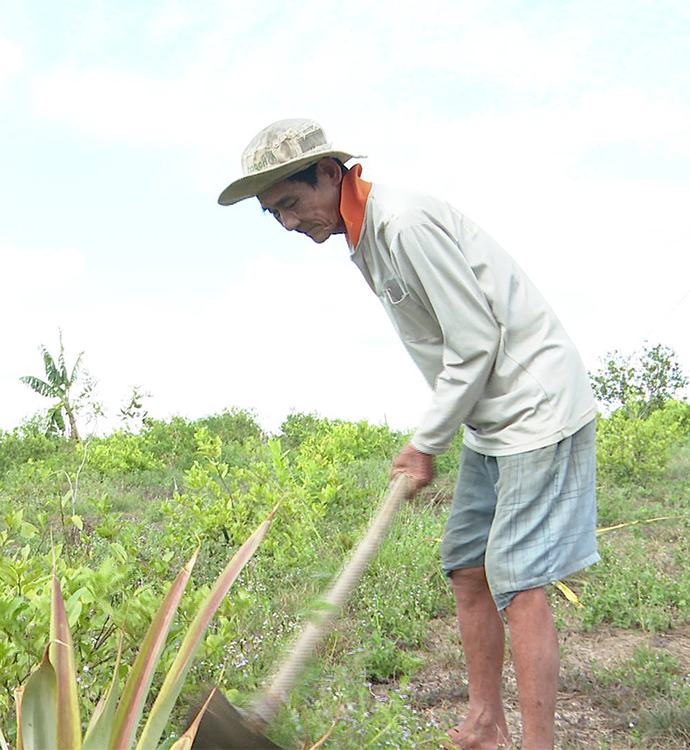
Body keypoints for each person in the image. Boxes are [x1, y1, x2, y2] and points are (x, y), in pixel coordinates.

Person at [218, 119, 599, 750]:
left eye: (290, 202)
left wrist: (426, 442)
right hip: (488, 419)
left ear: (330, 173)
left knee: (519, 579)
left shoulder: (403, 222)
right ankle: (483, 723)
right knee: (465, 564)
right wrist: (443, 430)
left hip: (536, 406)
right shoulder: (365, 237)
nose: (288, 223)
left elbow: (475, 341)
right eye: (272, 214)